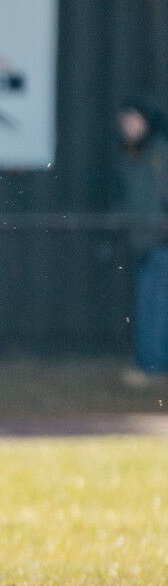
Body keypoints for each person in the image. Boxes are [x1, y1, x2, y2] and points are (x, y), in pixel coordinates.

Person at [115, 99, 168, 386]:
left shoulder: (159, 153)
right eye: (124, 121)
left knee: (154, 305)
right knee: (151, 304)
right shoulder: (131, 154)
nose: (127, 126)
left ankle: (152, 367)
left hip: (160, 241)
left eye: (132, 120)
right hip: (143, 241)